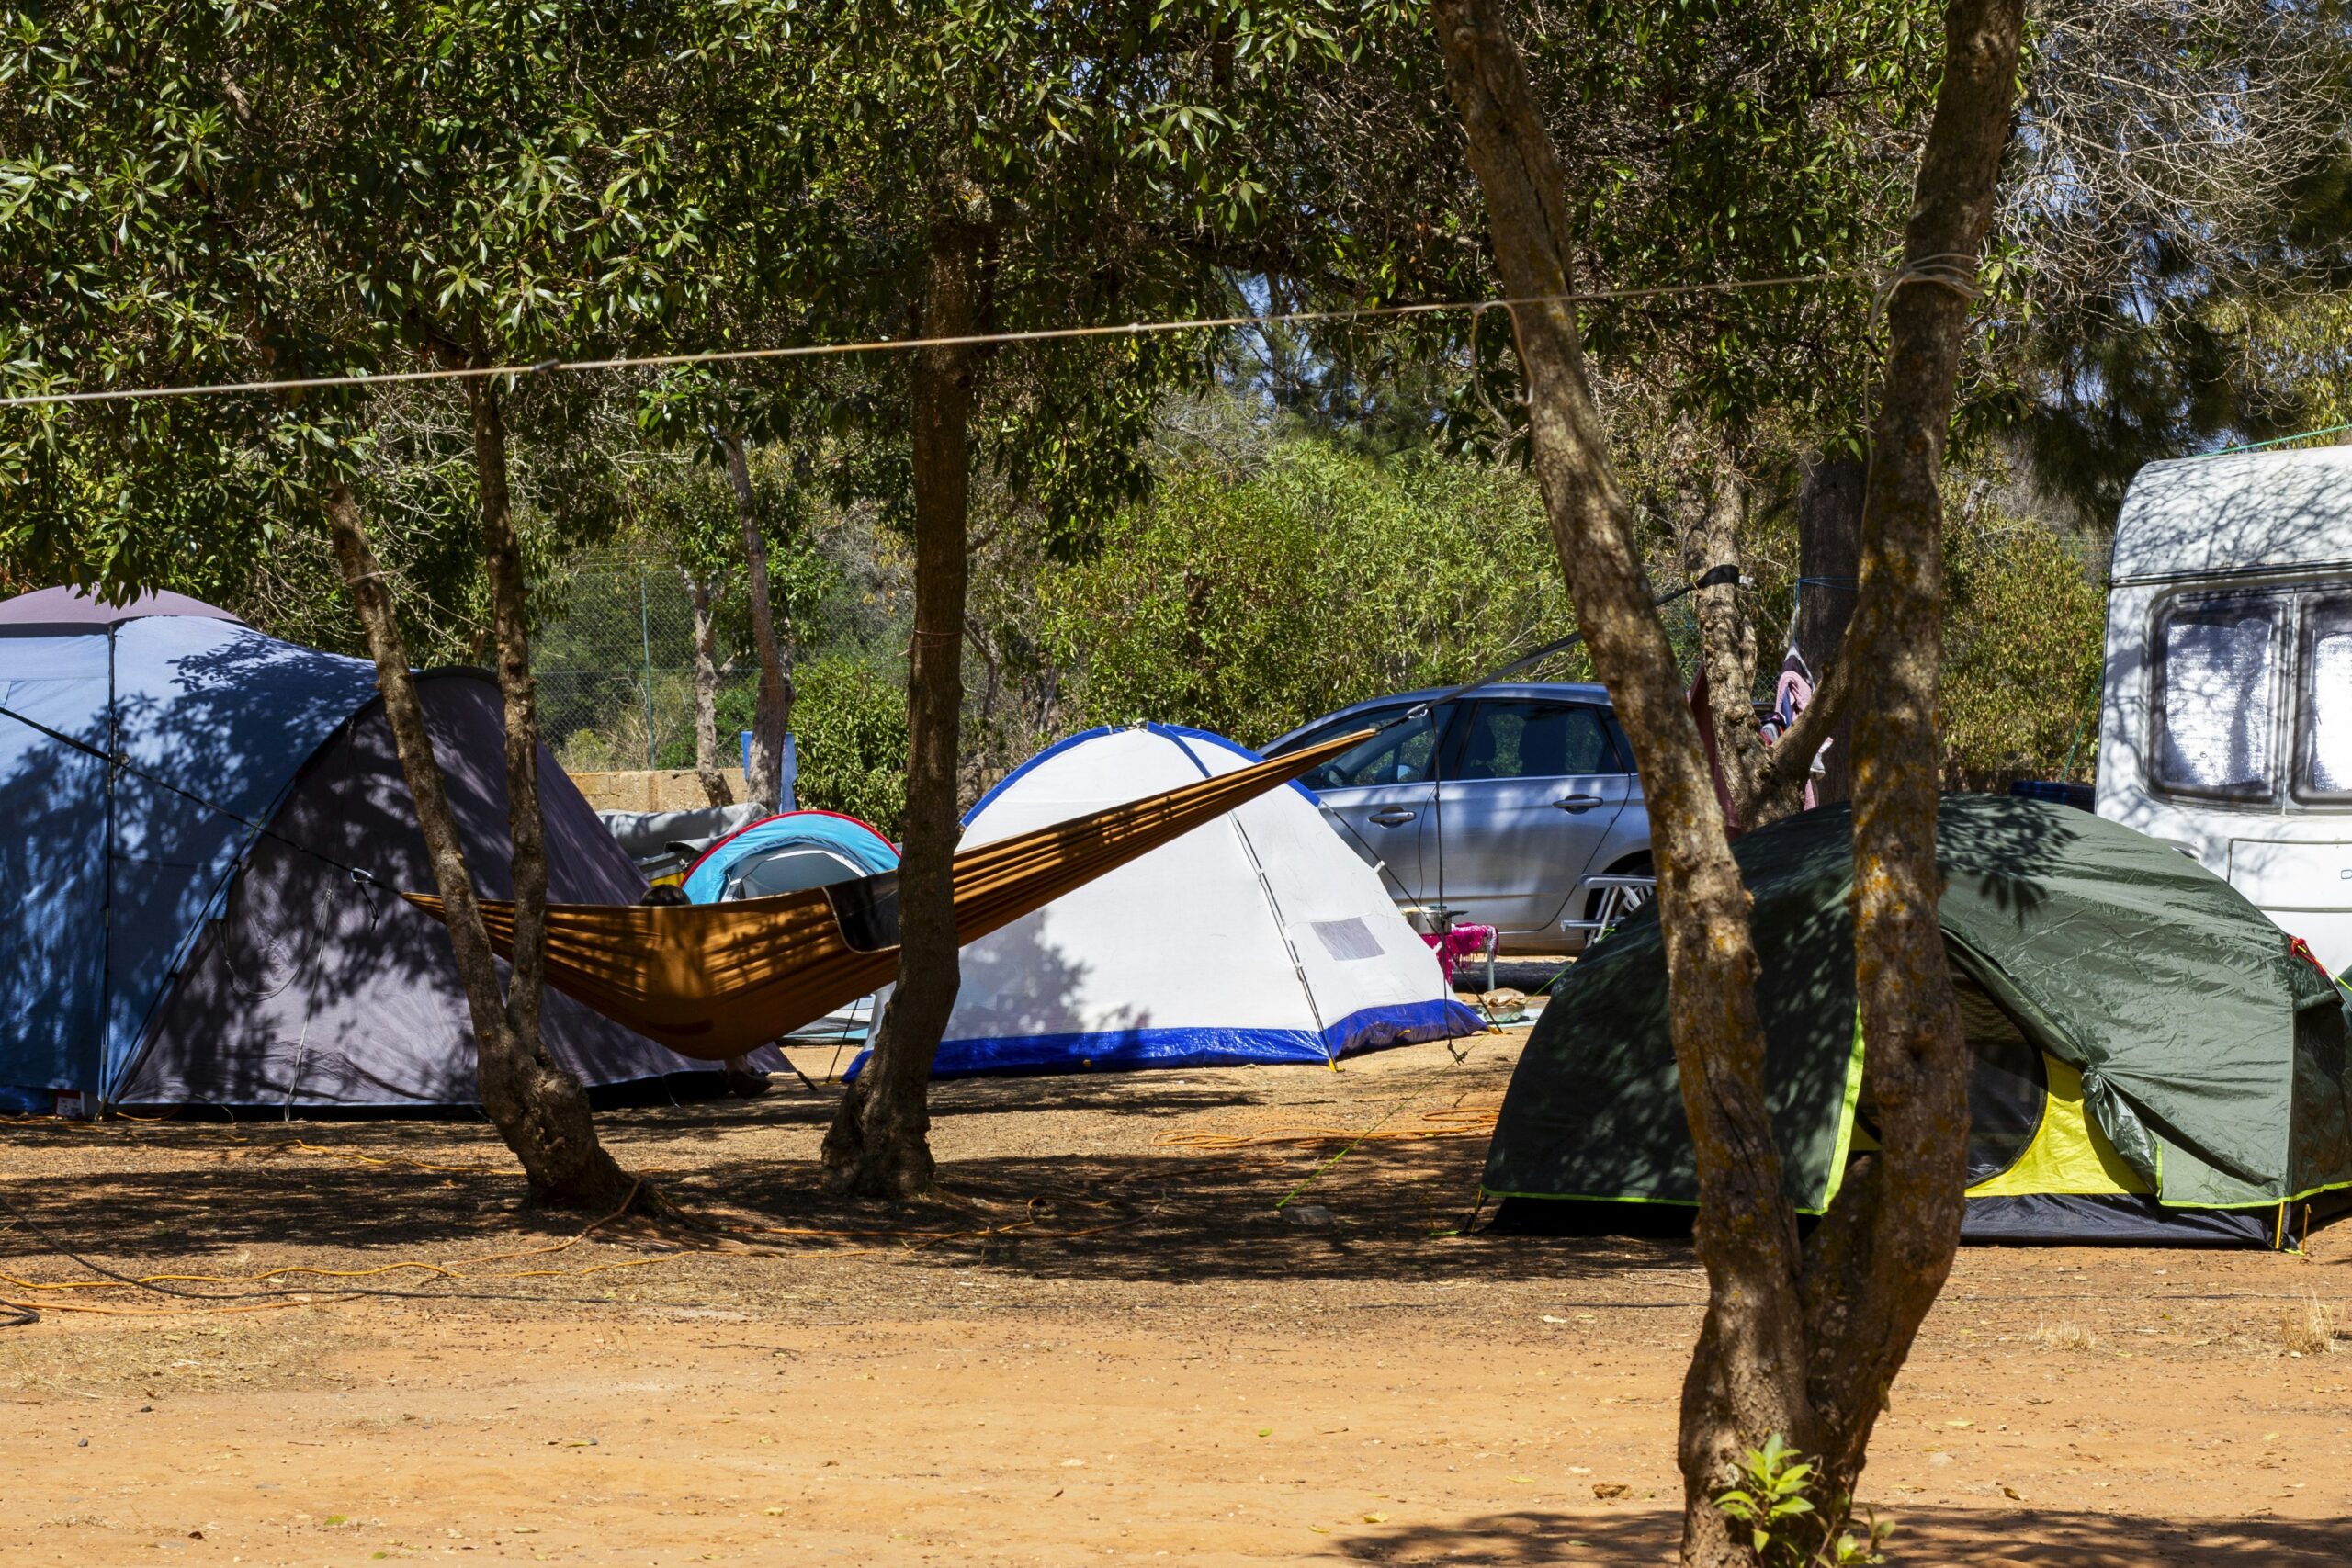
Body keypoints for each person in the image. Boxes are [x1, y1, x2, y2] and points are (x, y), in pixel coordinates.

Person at [639, 882, 773, 1098]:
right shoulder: (698, 943)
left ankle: (737, 1067)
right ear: (686, 911)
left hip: (655, 1013)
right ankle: (737, 1066)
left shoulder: (639, 947)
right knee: (731, 1005)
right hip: (702, 1013)